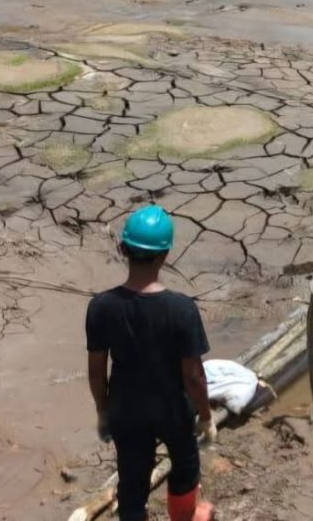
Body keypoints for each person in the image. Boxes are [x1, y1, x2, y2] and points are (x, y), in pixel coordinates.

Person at [86, 205, 216, 521]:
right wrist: (205, 416)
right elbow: (193, 377)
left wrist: (103, 412)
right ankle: (184, 516)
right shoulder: (182, 309)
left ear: (123, 249)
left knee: (132, 478)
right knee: (185, 466)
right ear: (165, 255)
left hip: (125, 408)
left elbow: (96, 371)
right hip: (172, 408)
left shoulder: (101, 306)